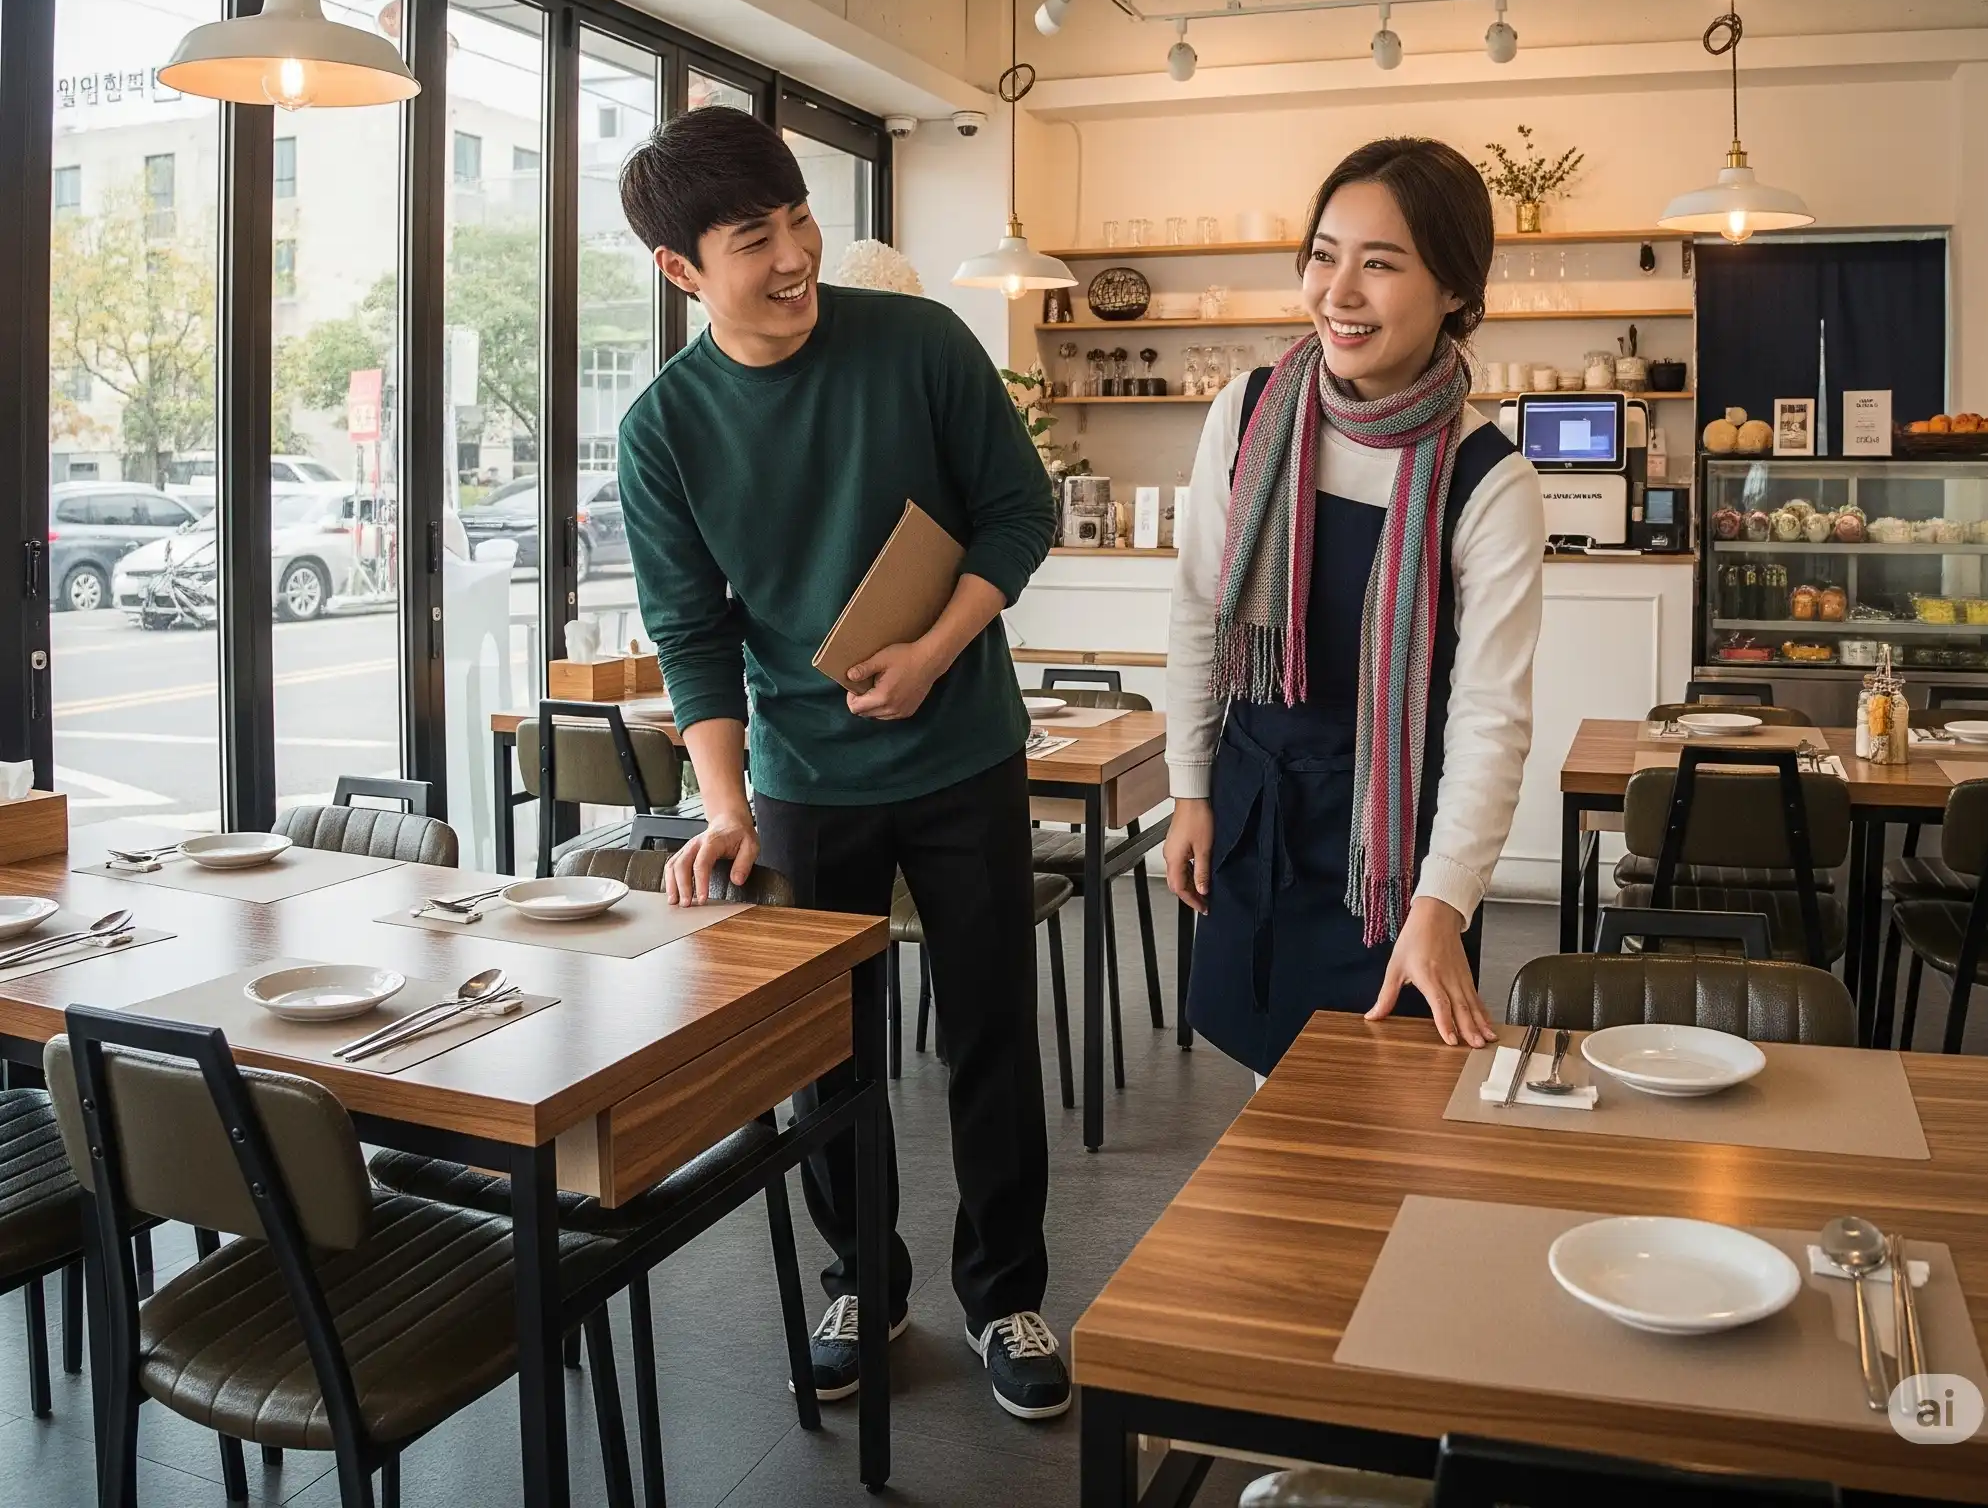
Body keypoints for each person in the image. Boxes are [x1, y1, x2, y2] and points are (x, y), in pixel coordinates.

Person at [613, 107, 1070, 1422]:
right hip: (808, 780)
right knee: (833, 1055)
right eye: (755, 239)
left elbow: (1015, 510)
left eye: (799, 220)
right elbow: (693, 636)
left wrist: (935, 648)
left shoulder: (919, 343)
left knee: (989, 1028)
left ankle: (1007, 1296)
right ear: (683, 270)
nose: (796, 254)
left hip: (965, 746)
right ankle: (861, 1278)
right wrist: (726, 807)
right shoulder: (666, 431)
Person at [1161, 138, 1545, 1076]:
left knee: (1379, 1106)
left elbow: (1489, 718)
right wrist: (1190, 788)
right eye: (1325, 255)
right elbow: (1200, 612)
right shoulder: (1249, 414)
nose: (1339, 290)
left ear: (1456, 287)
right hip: (1256, 807)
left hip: (1392, 852)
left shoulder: (1489, 480)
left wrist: (1443, 902)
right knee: (1263, 1086)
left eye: (1381, 264)